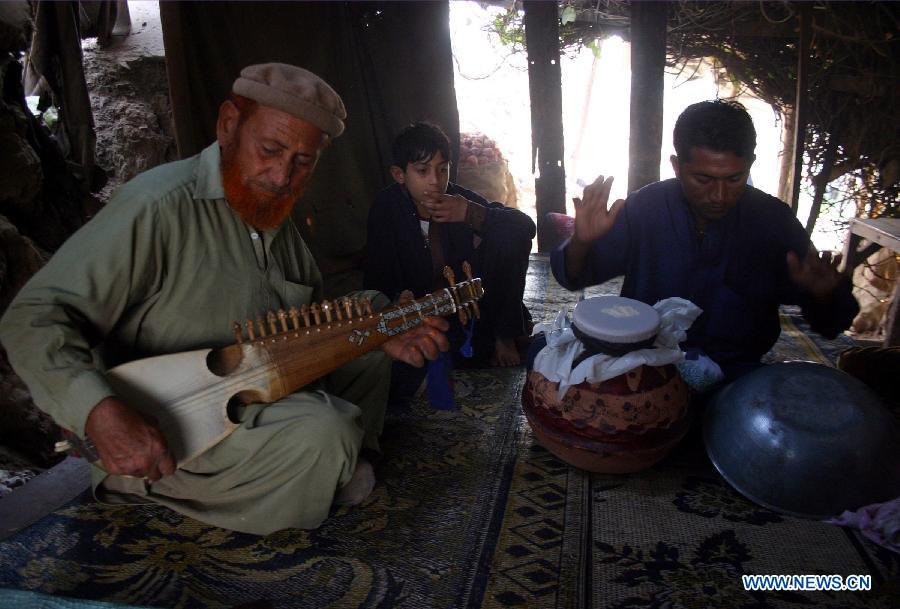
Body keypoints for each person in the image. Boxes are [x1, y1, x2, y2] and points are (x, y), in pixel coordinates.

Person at [0, 63, 449, 535]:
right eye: (271, 149)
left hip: (257, 388)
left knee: (371, 327)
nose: (281, 175)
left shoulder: (276, 217)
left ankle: (319, 463)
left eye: (303, 161)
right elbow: (33, 317)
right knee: (326, 430)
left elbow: (305, 324)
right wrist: (99, 411)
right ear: (229, 124)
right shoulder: (158, 205)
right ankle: (174, 482)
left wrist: (379, 334)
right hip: (174, 425)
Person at [550, 100, 859, 384]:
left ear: (750, 164)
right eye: (704, 179)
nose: (719, 196)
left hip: (736, 373)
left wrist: (826, 294)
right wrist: (582, 242)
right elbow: (575, 277)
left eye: (734, 179)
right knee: (549, 357)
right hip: (645, 362)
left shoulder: (773, 221)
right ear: (676, 166)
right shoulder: (646, 207)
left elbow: (830, 325)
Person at [364, 122, 535, 385]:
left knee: (508, 235)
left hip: (471, 304)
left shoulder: (458, 200)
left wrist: (471, 214)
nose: (435, 180)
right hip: (424, 311)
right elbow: (377, 270)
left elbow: (525, 228)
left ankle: (505, 334)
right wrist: (397, 297)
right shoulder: (386, 208)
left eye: (442, 170)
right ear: (400, 174)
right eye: (422, 171)